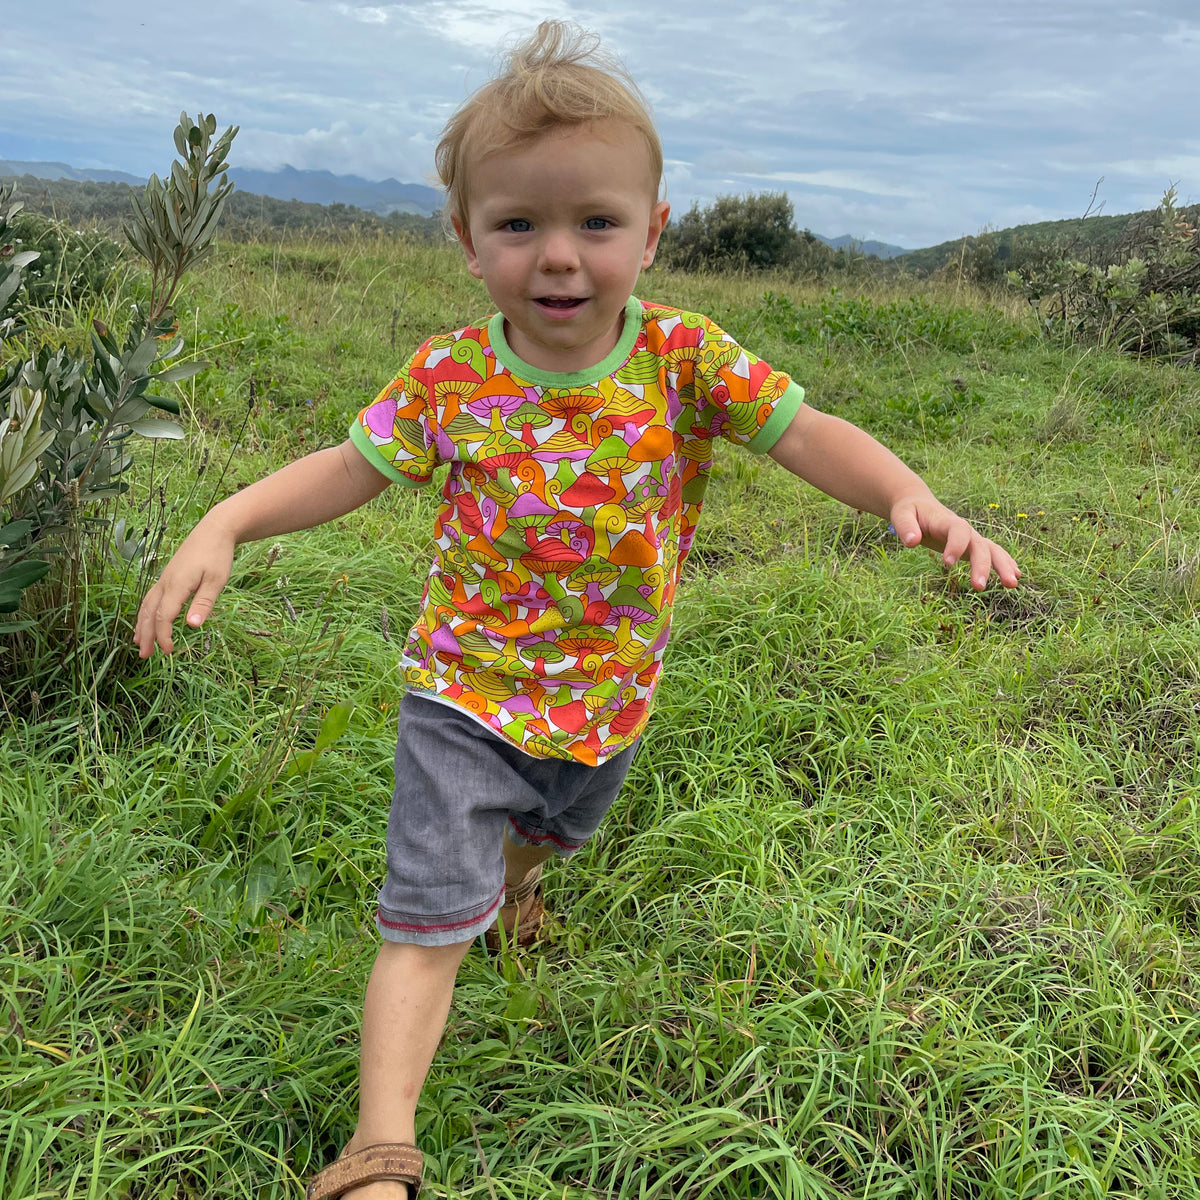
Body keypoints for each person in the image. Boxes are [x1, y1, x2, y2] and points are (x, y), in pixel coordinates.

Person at [134, 20, 1020, 1200]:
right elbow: (347, 467)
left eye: (596, 223)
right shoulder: (452, 378)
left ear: (652, 232)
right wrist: (229, 518)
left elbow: (807, 434)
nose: (558, 257)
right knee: (427, 921)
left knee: (549, 831)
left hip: (610, 696)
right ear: (468, 239)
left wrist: (912, 495)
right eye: (519, 225)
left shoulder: (685, 359)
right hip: (463, 691)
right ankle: (379, 1148)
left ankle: (520, 880)